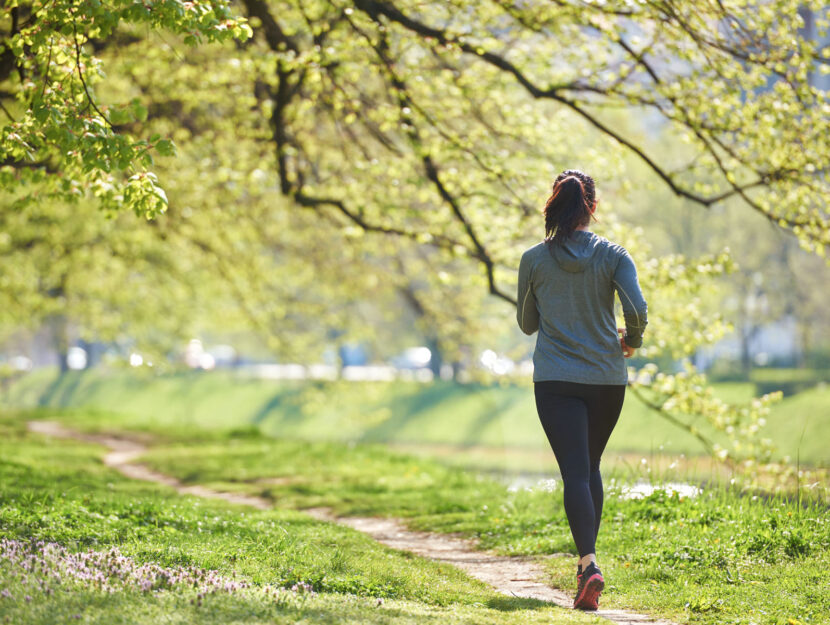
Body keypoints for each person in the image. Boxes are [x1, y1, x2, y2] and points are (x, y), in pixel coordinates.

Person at [516, 169, 648, 611]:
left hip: (555, 379)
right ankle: (587, 566)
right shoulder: (613, 255)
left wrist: (548, 296)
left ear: (554, 205)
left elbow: (527, 324)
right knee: (590, 465)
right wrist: (631, 340)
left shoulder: (534, 258)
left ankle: (588, 564)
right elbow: (637, 308)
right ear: (591, 206)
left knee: (575, 470)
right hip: (607, 379)